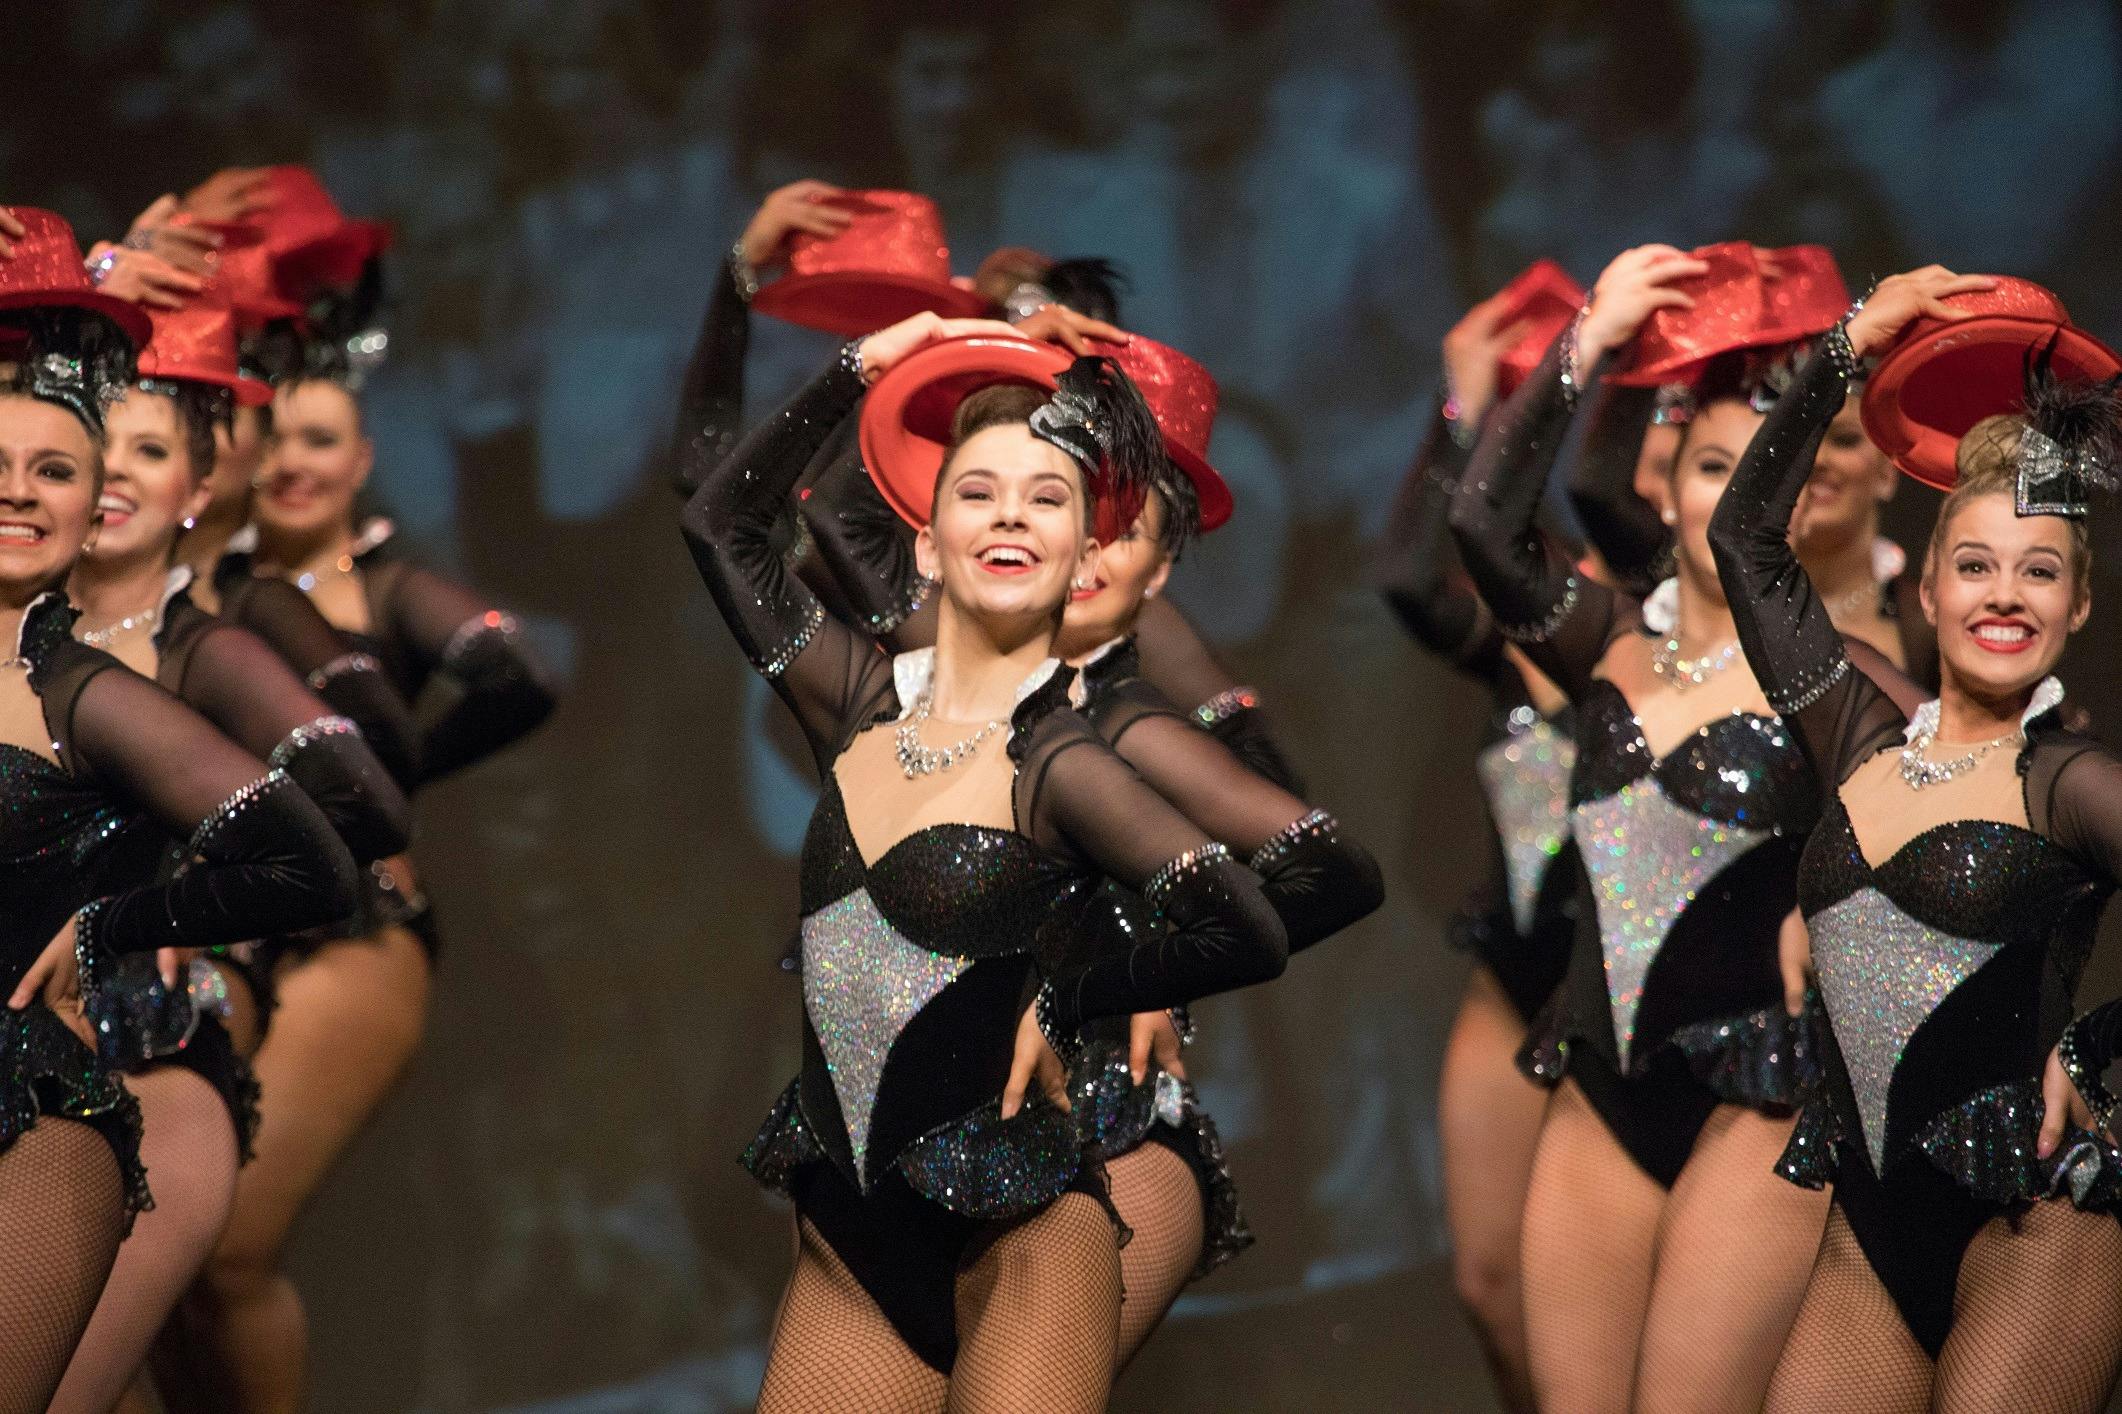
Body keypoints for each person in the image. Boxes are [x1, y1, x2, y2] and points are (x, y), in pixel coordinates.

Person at [685, 311, 1317, 1409]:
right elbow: (725, 522)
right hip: (853, 1232)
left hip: (1028, 1222)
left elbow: (1256, 920)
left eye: (1048, 498)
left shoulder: (1077, 755)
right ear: (926, 540)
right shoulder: (854, 703)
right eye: (976, 493)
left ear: (1086, 555)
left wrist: (1074, 996)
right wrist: (864, 367)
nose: (1010, 515)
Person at [1710, 266, 2122, 1412]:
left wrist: (2095, 1053)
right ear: (1928, 584)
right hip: (1866, 1246)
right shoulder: (1857, 733)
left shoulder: (2071, 785)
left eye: (2040, 572)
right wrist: (1845, 346)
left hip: (2037, 1230)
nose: (2006, 594)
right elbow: (1743, 537)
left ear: (2077, 607)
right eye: (1977, 565)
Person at [1449, 245, 1848, 1411]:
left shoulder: (1839, 682)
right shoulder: (1610, 641)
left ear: (1797, 494)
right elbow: (1482, 523)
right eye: (1707, 465)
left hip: (1758, 1097)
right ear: (1664, 490)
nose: (1729, 495)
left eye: (1756, 473)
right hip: (1598, 1092)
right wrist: (1594, 343)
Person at [166, 252, 553, 1412]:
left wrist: (378, 789)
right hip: (217, 927)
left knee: (230, 1243)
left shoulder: (366, 584)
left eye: (322, 440)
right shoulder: (209, 589)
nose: (292, 462)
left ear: (364, 461)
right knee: (168, 1247)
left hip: (354, 920)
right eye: (275, 437)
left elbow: (511, 674)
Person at [0, 234, 356, 1408]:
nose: (19, 488)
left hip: (69, 1093)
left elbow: (321, 850)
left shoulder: (103, 693)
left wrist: (116, 922)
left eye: (59, 472)